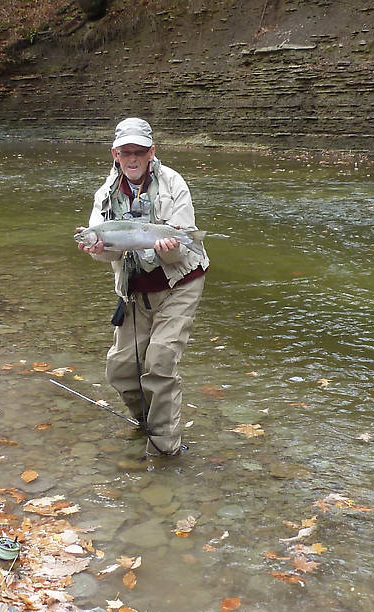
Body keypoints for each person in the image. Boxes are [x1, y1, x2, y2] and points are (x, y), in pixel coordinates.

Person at [76, 117, 209, 457]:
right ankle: (146, 424)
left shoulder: (173, 184)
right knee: (121, 370)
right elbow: (105, 254)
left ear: (152, 152)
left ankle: (165, 451)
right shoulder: (105, 194)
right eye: (125, 152)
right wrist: (98, 248)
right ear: (114, 154)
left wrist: (173, 246)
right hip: (135, 290)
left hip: (179, 283)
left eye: (139, 151)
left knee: (160, 362)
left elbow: (183, 243)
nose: (132, 159)